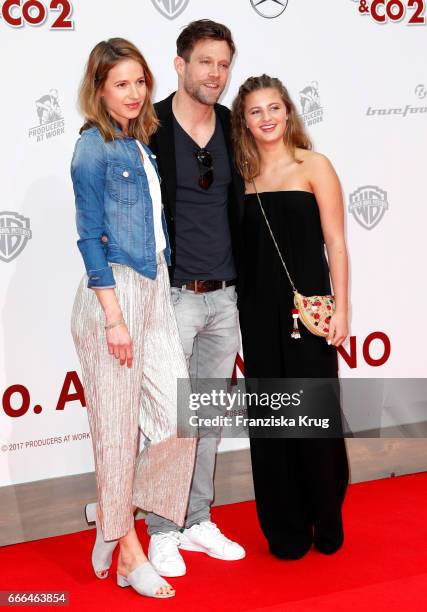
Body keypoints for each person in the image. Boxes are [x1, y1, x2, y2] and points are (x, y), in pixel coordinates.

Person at [70, 38, 196, 598]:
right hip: (111, 297)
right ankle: (127, 552)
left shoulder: (140, 144)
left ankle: (111, 513)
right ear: (99, 89)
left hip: (155, 289)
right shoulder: (92, 148)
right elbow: (89, 237)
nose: (134, 93)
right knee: (117, 435)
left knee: (178, 414)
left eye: (140, 82)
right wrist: (114, 318)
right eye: (121, 83)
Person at [230, 74, 350, 559]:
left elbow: (336, 243)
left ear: (288, 112)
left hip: (311, 310)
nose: (267, 119)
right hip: (257, 312)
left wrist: (343, 308)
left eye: (274, 108)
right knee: (272, 422)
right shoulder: (241, 175)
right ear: (244, 119)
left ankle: (326, 516)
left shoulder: (314, 165)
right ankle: (285, 529)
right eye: (256, 111)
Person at [145, 20, 246, 577]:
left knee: (206, 417)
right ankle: (162, 528)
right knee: (167, 419)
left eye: (223, 63)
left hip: (224, 299)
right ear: (180, 64)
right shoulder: (149, 127)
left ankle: (197, 519)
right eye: (206, 61)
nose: (216, 73)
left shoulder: (233, 126)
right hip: (173, 298)